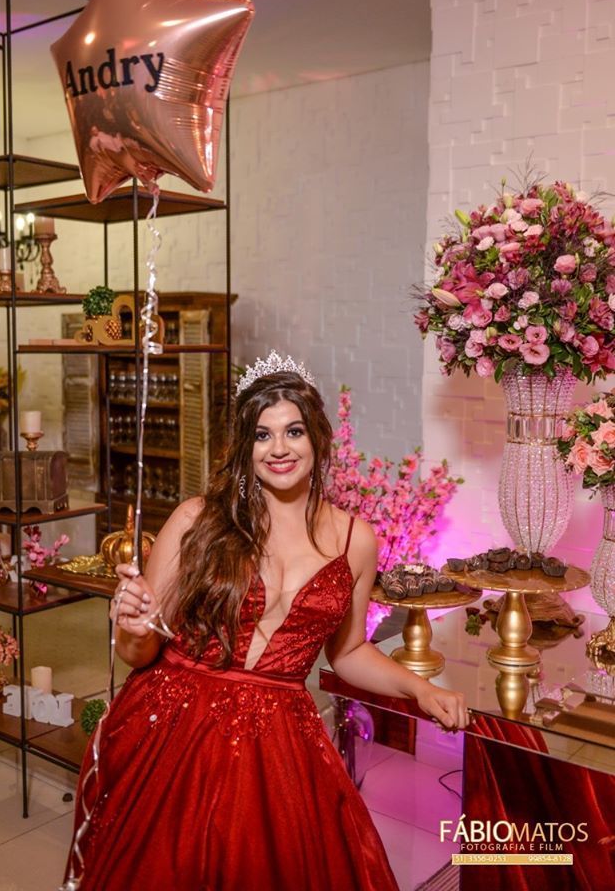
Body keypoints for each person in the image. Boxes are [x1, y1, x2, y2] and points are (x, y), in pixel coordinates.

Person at [62, 353, 470, 891]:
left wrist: (420, 689)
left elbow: (348, 652)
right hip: (173, 727)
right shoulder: (197, 520)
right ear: (244, 447)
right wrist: (132, 626)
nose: (279, 448)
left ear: (317, 437)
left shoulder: (356, 540)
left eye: (293, 431)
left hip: (277, 742)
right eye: (262, 434)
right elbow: (138, 652)